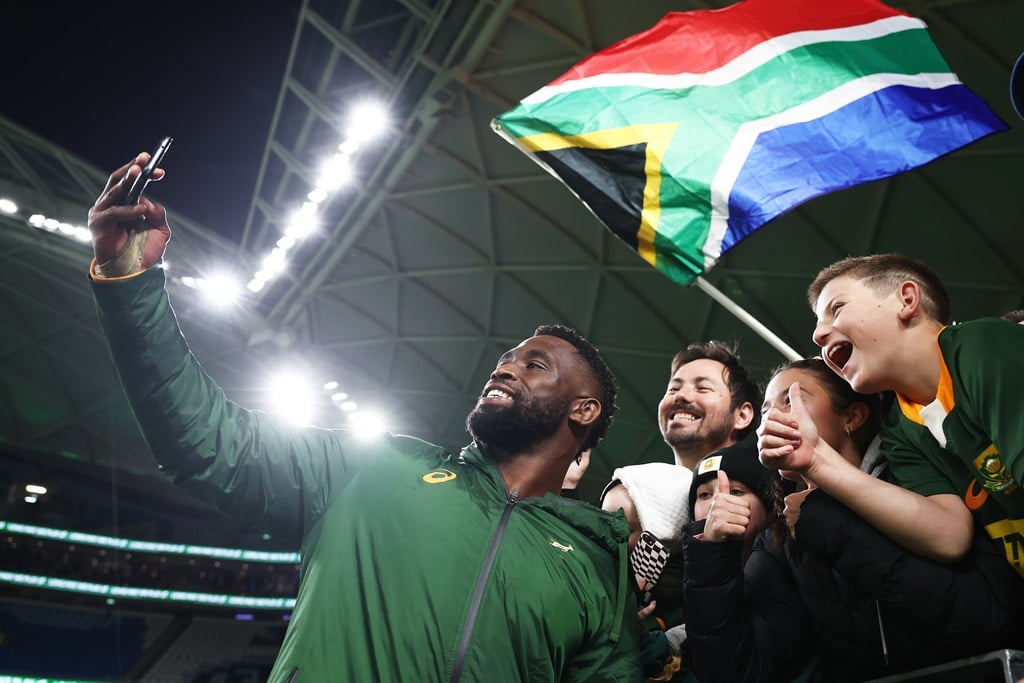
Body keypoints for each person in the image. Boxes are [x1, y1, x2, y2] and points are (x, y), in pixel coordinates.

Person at [86, 152, 645, 681]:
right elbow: (207, 441)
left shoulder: (597, 570)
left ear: (584, 410)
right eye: (504, 359)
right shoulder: (373, 465)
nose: (504, 369)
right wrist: (130, 281)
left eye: (534, 364)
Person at [685, 359, 1024, 683]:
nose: (772, 417)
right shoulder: (783, 536)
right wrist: (714, 556)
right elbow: (738, 671)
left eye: (792, 401)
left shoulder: (920, 483)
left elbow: (982, 617)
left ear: (853, 417)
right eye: (766, 410)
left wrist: (827, 521)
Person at [760, 253, 1024, 578]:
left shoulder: (983, 346)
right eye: (817, 323)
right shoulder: (899, 427)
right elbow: (948, 536)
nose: (817, 335)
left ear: (907, 300)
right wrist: (817, 460)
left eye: (837, 308)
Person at [595, 342, 761, 679]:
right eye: (674, 388)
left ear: (743, 414)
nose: (681, 396)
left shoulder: (773, 491)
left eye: (703, 387)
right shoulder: (636, 488)